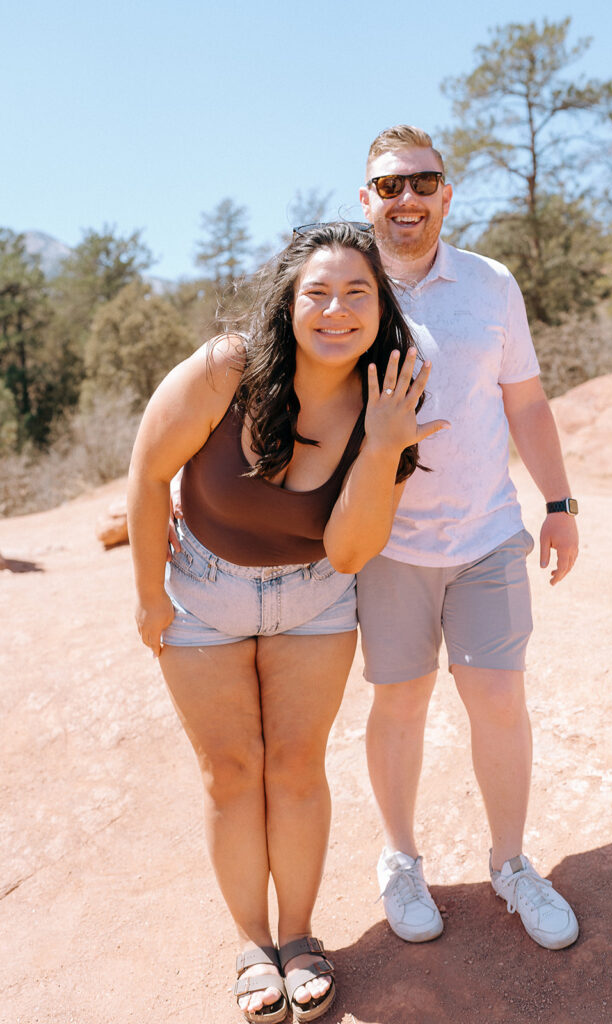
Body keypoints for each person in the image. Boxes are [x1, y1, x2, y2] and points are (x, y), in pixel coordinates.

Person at [127, 222, 447, 1023]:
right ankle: (251, 943)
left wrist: (379, 449)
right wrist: (147, 595)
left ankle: (301, 939)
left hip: (314, 597)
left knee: (297, 769)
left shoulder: (393, 394)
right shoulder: (225, 368)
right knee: (230, 774)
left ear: (381, 308)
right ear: (288, 302)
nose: (336, 309)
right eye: (317, 292)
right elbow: (147, 471)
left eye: (357, 292)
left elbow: (346, 552)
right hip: (201, 597)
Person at [356, 126, 580, 950]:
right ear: (365, 199)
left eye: (422, 183)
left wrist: (559, 503)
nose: (405, 199)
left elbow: (524, 401)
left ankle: (512, 864)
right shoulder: (346, 288)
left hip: (486, 535)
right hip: (386, 545)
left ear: (446, 194)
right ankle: (401, 861)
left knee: (497, 700)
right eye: (388, 186)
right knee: (399, 704)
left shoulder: (491, 284)